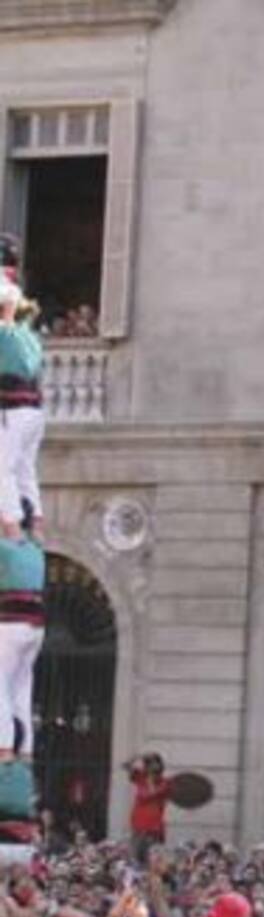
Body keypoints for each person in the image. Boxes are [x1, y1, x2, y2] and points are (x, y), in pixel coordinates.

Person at [0, 499, 44, 764]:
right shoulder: (35, 548)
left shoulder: (7, 549)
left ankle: (4, 747)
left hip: (12, 624)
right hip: (35, 627)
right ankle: (25, 750)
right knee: (22, 690)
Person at [0, 279, 44, 543]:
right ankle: (36, 523)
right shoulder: (29, 337)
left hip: (13, 410)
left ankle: (14, 529)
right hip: (35, 412)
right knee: (25, 469)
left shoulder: (5, 334)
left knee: (2, 470)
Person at [125, 753, 173, 862]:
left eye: (156, 767)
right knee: (135, 859)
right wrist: (137, 757)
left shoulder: (165, 783)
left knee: (151, 860)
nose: (154, 771)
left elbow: (150, 794)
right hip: (137, 826)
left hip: (153, 829)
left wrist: (150, 778)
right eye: (150, 766)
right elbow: (126, 766)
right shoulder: (141, 777)